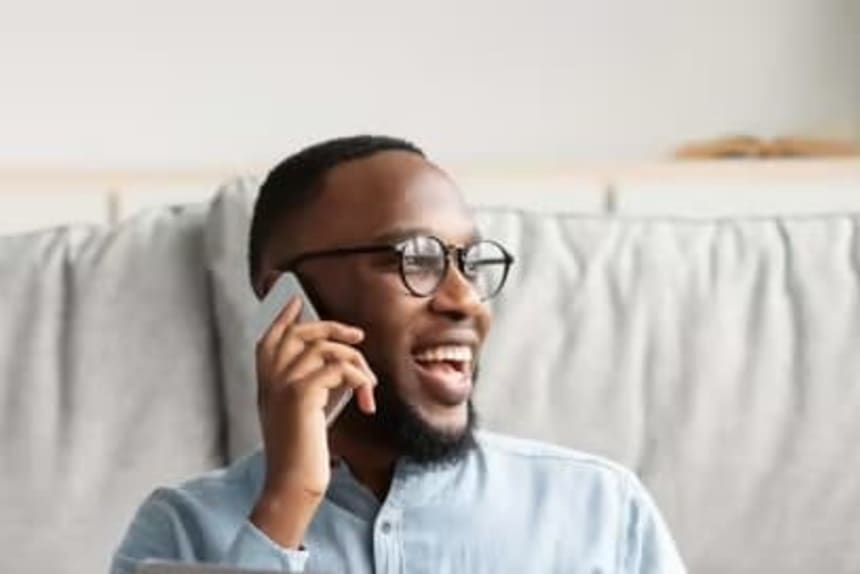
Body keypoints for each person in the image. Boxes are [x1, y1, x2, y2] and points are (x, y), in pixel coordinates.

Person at [111, 135, 686, 573]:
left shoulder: (603, 512)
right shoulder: (182, 532)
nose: (466, 301)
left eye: (469, 262)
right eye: (415, 258)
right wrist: (288, 501)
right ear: (287, 297)